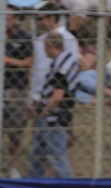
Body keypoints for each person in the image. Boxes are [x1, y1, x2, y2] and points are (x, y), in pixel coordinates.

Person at [29, 31, 78, 179]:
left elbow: (58, 95)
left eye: (44, 47)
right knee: (37, 153)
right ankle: (33, 183)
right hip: (53, 115)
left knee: (58, 157)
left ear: (49, 46)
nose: (43, 50)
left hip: (53, 117)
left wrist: (46, 110)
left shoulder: (60, 67)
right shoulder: (67, 60)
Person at [1, 10, 33, 179]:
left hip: (17, 89)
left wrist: (8, 61)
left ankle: (12, 165)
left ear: (15, 20)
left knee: (15, 130)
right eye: (2, 19)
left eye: (7, 19)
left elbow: (29, 62)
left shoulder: (24, 37)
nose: (5, 22)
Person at [30, 11, 78, 106]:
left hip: (58, 94)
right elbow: (37, 72)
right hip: (41, 94)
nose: (37, 22)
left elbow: (70, 68)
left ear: (51, 18)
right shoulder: (40, 40)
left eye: (40, 19)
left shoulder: (69, 38)